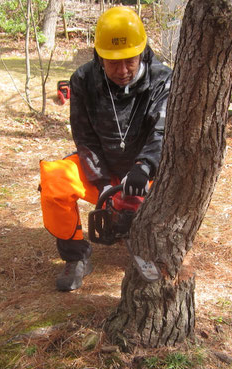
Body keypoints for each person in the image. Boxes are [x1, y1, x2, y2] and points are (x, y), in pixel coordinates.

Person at [40, 6, 172, 292]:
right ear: (100, 56)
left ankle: (154, 247)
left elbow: (162, 131)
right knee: (55, 179)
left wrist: (144, 166)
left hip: (146, 171)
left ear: (142, 52)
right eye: (113, 63)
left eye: (129, 61)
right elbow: (84, 137)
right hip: (101, 167)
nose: (122, 71)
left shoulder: (162, 80)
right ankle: (76, 256)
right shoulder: (84, 80)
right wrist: (101, 186)